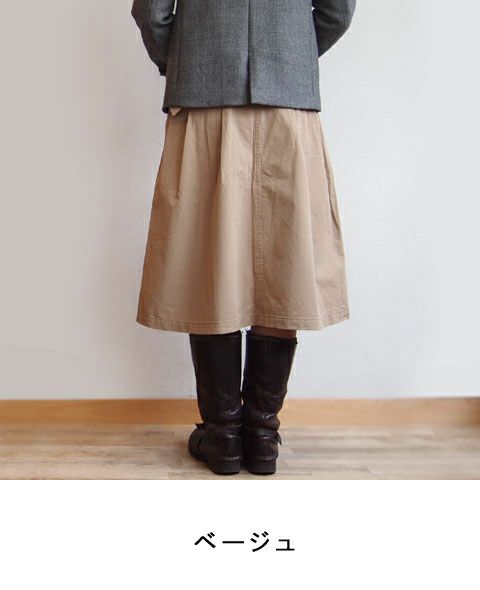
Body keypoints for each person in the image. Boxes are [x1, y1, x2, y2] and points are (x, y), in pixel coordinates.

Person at [131, 0, 356, 476]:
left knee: (205, 257)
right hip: (289, 102)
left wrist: (192, 57)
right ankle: (262, 436)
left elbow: (152, 12)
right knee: (285, 260)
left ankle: (223, 435)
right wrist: (287, 53)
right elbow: (337, 11)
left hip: (204, 99)